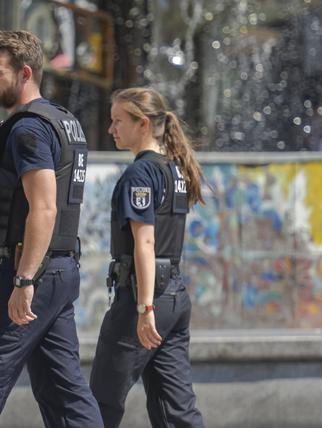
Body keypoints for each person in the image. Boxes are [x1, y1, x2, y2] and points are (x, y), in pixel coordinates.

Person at [0, 29, 101, 428]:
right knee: (65, 393)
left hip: (28, 271)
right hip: (60, 269)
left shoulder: (28, 129)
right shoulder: (65, 123)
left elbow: (45, 207)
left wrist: (23, 279)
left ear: (25, 73)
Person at [89, 87, 206, 428]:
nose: (111, 129)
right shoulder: (175, 170)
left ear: (142, 124)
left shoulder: (140, 174)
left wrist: (145, 308)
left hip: (144, 299)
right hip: (175, 297)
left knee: (101, 403)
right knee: (176, 410)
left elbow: (145, 242)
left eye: (118, 121)